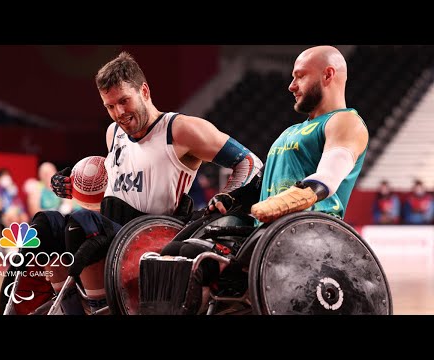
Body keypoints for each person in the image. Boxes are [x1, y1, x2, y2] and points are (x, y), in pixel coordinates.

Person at [28, 51, 263, 314]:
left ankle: (98, 307)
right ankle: (68, 306)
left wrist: (228, 195)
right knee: (44, 226)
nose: (118, 112)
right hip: (114, 229)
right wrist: (75, 186)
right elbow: (118, 189)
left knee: (81, 226)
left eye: (124, 101)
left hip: (152, 235)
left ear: (145, 91)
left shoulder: (180, 129)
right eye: (109, 106)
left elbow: (249, 162)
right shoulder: (113, 133)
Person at [165, 45, 369, 314]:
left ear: (328, 75)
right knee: (174, 250)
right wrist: (233, 198)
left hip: (306, 234)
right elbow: (264, 183)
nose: (291, 85)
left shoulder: (345, 122)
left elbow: (327, 178)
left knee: (196, 259)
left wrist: (287, 201)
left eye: (299, 76)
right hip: (265, 232)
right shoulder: (291, 131)